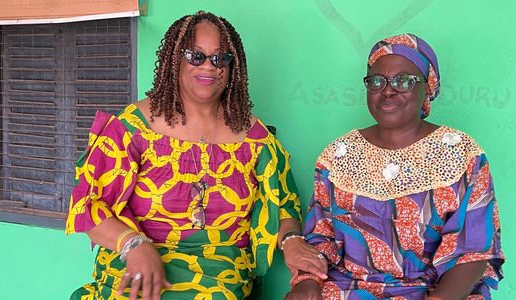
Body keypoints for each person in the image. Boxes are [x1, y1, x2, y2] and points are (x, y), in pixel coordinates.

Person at [66, 11, 325, 300]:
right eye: (196, 56)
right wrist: (134, 244)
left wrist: (291, 240)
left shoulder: (256, 139)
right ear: (174, 59)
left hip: (218, 274)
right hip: (137, 262)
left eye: (220, 58)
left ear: (232, 67)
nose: (209, 67)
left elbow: (282, 206)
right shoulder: (132, 129)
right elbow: (88, 206)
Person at [285, 34, 505, 300]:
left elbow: (472, 252)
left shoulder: (461, 154)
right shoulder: (338, 155)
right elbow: (321, 237)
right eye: (377, 81)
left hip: (437, 292)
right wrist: (306, 284)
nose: (388, 90)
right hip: (349, 290)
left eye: (404, 81)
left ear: (428, 87)